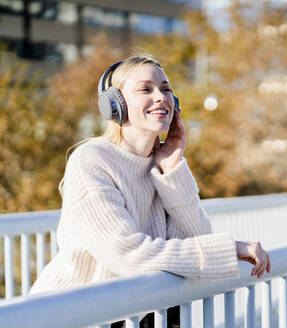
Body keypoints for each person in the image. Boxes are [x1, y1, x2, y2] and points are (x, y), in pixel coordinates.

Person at [29, 54, 271, 327]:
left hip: (123, 316)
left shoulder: (160, 166)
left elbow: (199, 236)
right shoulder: (91, 160)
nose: (161, 97)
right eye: (145, 89)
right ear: (115, 105)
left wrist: (172, 169)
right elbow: (128, 254)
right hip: (64, 317)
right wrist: (231, 249)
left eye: (166, 89)